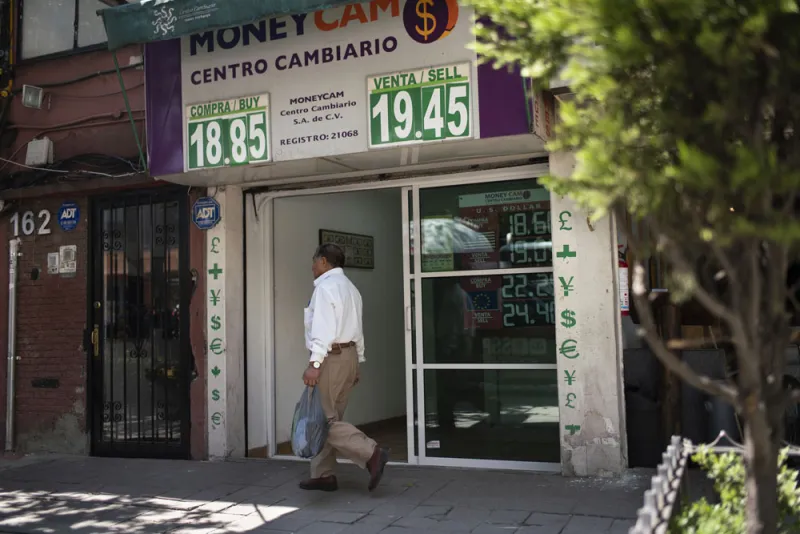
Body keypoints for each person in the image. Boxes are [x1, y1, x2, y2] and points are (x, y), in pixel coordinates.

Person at [299, 243, 389, 492]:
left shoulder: (325, 288)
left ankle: (371, 453)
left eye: (314, 261)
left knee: (322, 421)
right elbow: (357, 330)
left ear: (324, 261)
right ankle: (323, 475)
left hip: (331, 358)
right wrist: (357, 360)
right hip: (348, 357)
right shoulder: (350, 288)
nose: (312, 266)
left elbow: (323, 330)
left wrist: (315, 364)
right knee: (332, 417)